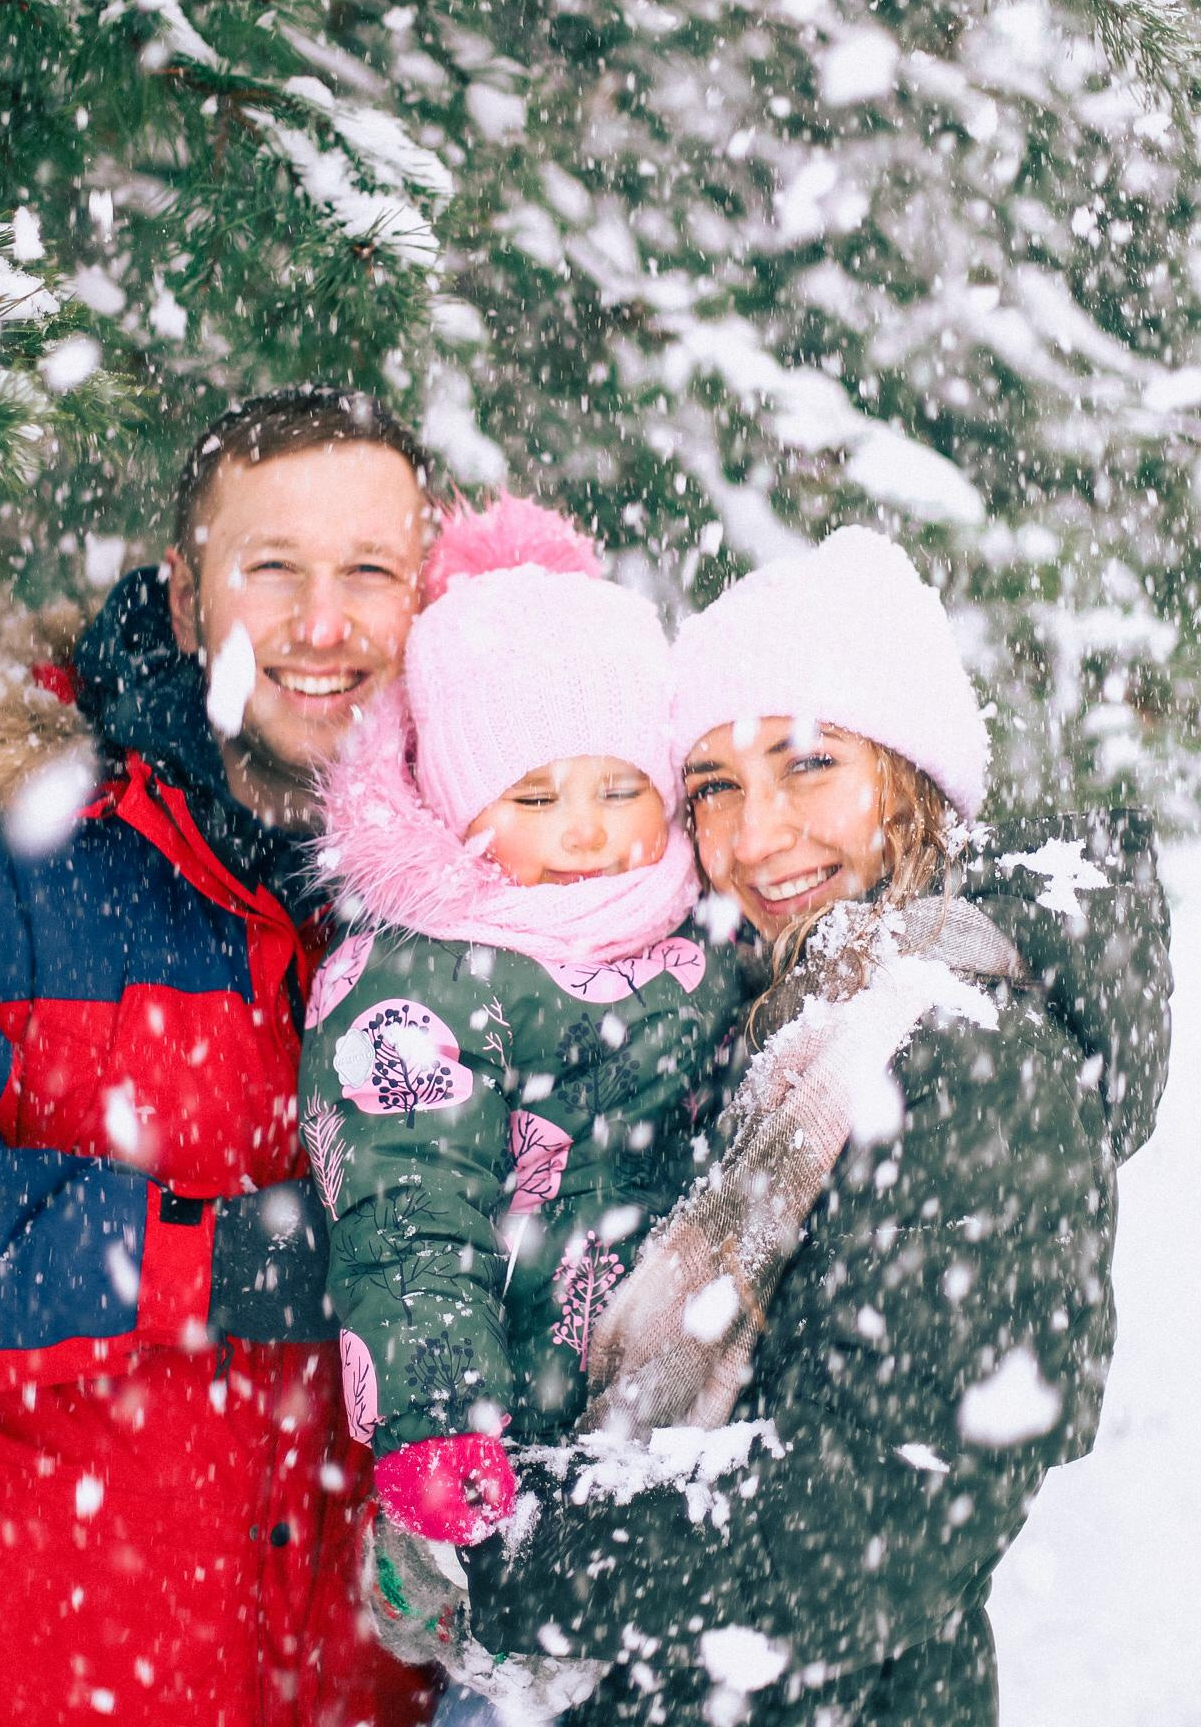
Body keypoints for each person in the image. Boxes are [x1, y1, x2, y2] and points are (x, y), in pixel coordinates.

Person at [459, 525, 1172, 1726]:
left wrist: (507, 1548)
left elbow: (872, 1520)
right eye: (714, 788)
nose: (754, 837)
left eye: (805, 766)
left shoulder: (970, 1063)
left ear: (908, 776)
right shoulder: (769, 1026)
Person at [0, 389, 440, 1726]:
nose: (322, 625)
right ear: (186, 597)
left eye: (368, 572)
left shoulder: (487, 886)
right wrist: (208, 1262)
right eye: (272, 568)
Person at [296, 498, 742, 1707]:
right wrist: (441, 1417)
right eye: (535, 798)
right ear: (457, 806)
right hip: (518, 1482)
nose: (587, 832)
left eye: (619, 788)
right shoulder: (425, 977)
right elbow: (408, 1215)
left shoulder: (703, 932)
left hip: (685, 1470)